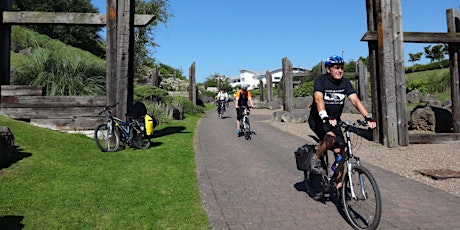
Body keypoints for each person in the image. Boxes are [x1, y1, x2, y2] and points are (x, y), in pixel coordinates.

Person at [308, 55, 376, 192]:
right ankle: (315, 158)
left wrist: (368, 117)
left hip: (334, 121)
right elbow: (318, 99)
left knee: (341, 153)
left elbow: (355, 101)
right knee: (331, 137)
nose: (340, 71)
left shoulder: (345, 83)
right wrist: (324, 115)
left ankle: (339, 187)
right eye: (336, 68)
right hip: (319, 119)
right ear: (328, 69)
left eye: (342, 68)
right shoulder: (321, 81)